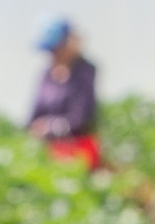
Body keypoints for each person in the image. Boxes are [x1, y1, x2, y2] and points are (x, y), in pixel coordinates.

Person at [26, 18, 101, 170]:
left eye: (56, 49)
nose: (52, 55)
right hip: (49, 150)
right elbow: (32, 117)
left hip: (79, 151)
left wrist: (48, 126)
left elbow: (80, 119)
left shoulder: (84, 72)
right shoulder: (46, 76)